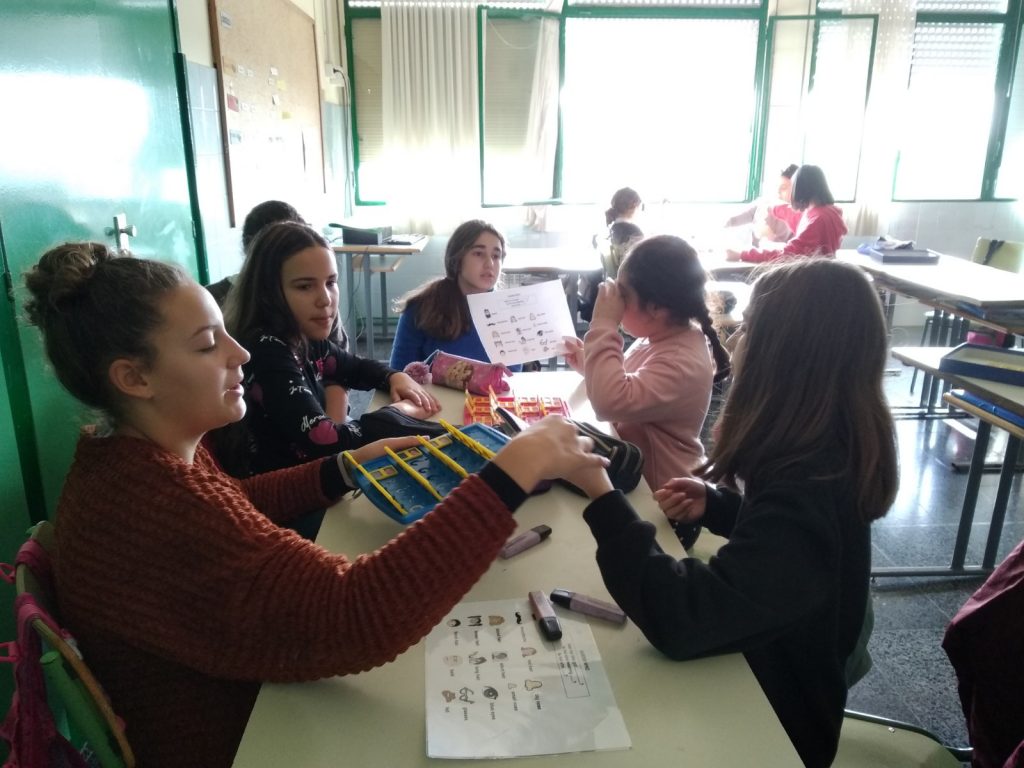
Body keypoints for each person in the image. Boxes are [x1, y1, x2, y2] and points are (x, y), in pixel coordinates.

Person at [23, 242, 607, 768]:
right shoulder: (156, 507)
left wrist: (343, 466)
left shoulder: (130, 460)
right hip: (247, 738)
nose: (239, 353)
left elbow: (232, 501)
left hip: (249, 696)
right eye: (206, 344)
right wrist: (510, 474)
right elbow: (356, 611)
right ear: (134, 378)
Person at [564, 259, 898, 768]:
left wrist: (602, 496)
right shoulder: (824, 453)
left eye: (748, 328)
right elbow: (784, 554)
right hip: (770, 673)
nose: (736, 338)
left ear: (784, 354)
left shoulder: (807, 482)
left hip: (773, 727)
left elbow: (684, 617)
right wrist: (721, 506)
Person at [220, 220, 440, 481]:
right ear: (268, 293)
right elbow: (327, 440)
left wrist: (394, 376)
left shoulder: (302, 334)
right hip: (287, 492)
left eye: (331, 282)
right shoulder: (266, 351)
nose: (325, 299)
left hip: (318, 478)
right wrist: (399, 413)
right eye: (305, 286)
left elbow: (354, 366)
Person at [563, 235, 731, 548]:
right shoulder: (661, 336)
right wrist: (589, 363)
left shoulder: (681, 360)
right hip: (639, 482)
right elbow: (629, 385)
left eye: (623, 295)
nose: (616, 302)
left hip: (665, 507)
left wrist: (603, 324)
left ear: (655, 308)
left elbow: (609, 402)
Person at [390, 219, 520, 371]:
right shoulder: (421, 308)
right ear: (457, 258)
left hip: (496, 388)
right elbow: (399, 373)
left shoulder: (509, 312)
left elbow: (515, 374)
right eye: (478, 253)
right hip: (432, 388)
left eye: (496, 256)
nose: (490, 264)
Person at [726, 164, 847, 263]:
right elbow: (791, 214)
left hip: (810, 276)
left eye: (791, 187)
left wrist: (742, 254)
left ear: (801, 188)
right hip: (823, 270)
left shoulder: (817, 220)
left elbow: (786, 255)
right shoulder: (829, 212)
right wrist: (770, 207)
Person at [724, 163, 801, 244]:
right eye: (776, 186)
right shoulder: (764, 203)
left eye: (783, 188)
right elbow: (733, 220)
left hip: (770, 250)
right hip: (747, 247)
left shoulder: (800, 218)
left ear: (796, 191)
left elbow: (792, 248)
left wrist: (769, 237)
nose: (778, 191)